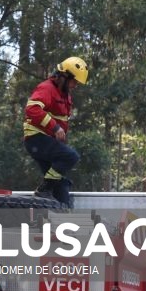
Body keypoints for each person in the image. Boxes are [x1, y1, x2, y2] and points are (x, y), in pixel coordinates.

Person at [23, 56, 89, 206]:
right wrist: (55, 127)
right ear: (64, 76)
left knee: (61, 188)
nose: (75, 85)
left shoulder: (64, 95)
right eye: (74, 81)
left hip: (46, 140)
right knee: (71, 157)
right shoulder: (47, 88)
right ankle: (43, 190)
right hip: (36, 138)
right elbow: (32, 109)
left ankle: (60, 218)